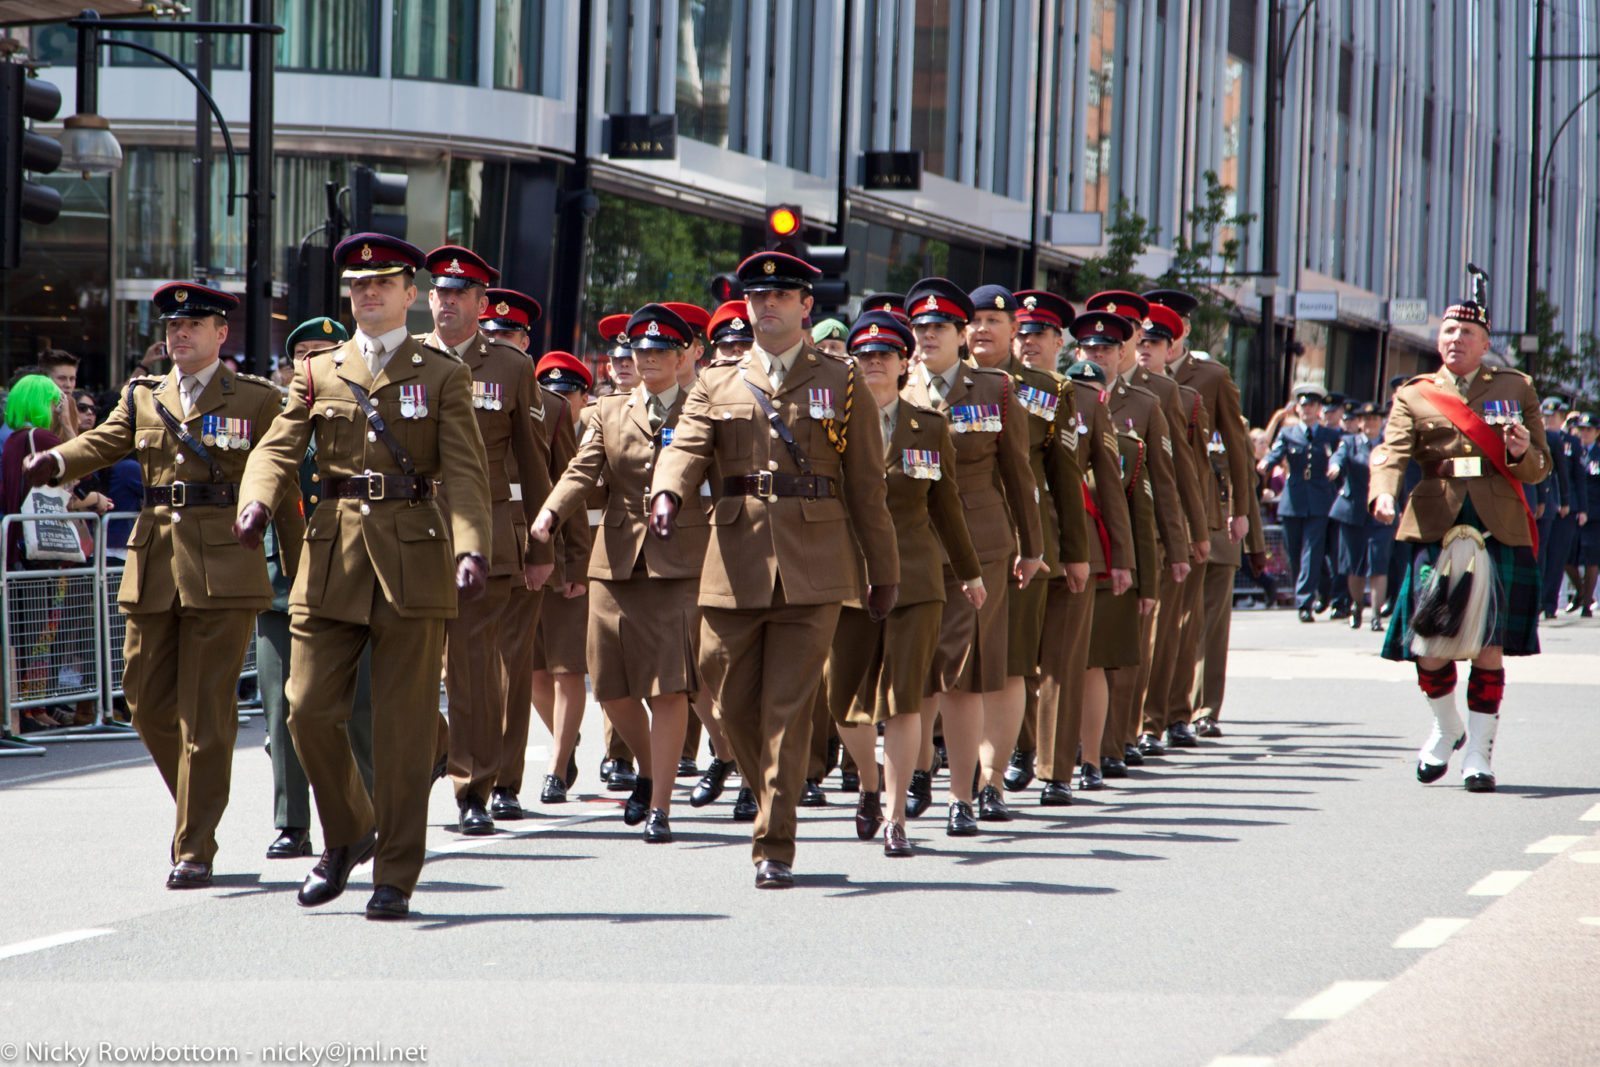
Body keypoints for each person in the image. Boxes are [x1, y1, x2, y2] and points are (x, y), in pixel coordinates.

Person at [233, 233, 493, 920]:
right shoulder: (320, 370)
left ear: (412, 293)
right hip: (332, 556)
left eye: (382, 283)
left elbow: (466, 471)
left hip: (414, 552)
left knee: (404, 729)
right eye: (357, 285)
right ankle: (350, 831)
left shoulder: (441, 374)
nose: (368, 294)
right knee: (307, 706)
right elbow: (278, 445)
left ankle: (395, 875)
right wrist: (256, 498)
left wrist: (472, 545)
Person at [20, 283, 285, 888]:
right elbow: (105, 441)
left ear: (222, 333)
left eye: (193, 325)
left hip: (223, 564)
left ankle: (194, 844)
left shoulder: (255, 398)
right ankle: (197, 799)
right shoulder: (144, 396)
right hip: (155, 562)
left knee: (206, 712)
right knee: (143, 698)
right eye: (172, 327)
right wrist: (57, 462)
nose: (180, 335)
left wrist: (277, 534)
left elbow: (284, 467)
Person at [648, 249, 899, 888]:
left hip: (815, 565)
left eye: (782, 296)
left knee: (787, 710)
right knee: (728, 698)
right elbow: (685, 448)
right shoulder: (717, 380)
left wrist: (883, 570)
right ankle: (770, 794)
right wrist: (667, 493)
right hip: (732, 561)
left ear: (806, 306)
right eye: (758, 297)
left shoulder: (840, 382)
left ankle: (774, 841)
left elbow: (867, 485)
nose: (767, 306)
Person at [534, 304, 712, 843]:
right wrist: (549, 513)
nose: (649, 359)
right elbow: (583, 469)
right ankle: (650, 767)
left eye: (661, 351)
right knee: (610, 688)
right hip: (614, 563)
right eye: (641, 351)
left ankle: (659, 806)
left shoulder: (702, 408)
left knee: (669, 687)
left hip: (678, 564)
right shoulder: (608, 413)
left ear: (682, 357)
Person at [1372, 293, 1551, 792]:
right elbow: (1391, 453)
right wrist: (1383, 495)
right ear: (1439, 340)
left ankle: (1478, 753)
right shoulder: (1415, 392)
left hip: (1498, 523)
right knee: (1429, 645)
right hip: (1436, 522)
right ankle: (1447, 725)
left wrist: (1520, 451)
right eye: (1449, 333)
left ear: (1486, 343)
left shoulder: (1516, 387)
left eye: (1467, 334)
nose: (1456, 340)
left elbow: (1540, 466)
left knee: (1488, 647)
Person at [819, 310, 982, 856]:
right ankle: (868, 781)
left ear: (902, 362)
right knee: (844, 701)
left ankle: (896, 818)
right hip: (847, 578)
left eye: (883, 356)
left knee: (903, 700)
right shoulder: (828, 425)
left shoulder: (928, 426)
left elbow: (947, 509)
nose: (872, 365)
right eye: (863, 357)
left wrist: (970, 572)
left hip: (915, 580)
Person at [415, 245, 554, 836]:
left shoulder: (510, 367)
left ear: (480, 303)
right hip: (413, 532)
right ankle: (436, 755)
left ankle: (473, 787)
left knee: (473, 669)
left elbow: (533, 457)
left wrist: (545, 546)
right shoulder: (406, 359)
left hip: (489, 532)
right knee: (420, 669)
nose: (447, 302)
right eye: (440, 293)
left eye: (459, 294)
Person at [899, 277, 1043, 835]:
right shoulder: (892, 386)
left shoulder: (996, 390)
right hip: (912, 546)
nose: (929, 336)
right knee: (919, 668)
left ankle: (968, 791)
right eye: (921, 327)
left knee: (961, 673)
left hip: (980, 549)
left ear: (962, 334)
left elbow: (1018, 475)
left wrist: (1031, 548)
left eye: (940, 327)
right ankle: (917, 768)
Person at [254, 316, 377, 861]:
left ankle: (366, 814)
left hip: (349, 577)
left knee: (360, 707)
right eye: (303, 353)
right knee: (285, 708)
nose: (313, 362)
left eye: (325, 351)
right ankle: (292, 821)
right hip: (284, 581)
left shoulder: (361, 414)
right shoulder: (273, 417)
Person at [963, 283, 1086, 819]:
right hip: (950, 546)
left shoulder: (1048, 392)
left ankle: (990, 779)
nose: (983, 329)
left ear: (1015, 331)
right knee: (955, 670)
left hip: (1020, 547)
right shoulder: (935, 383)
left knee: (1011, 666)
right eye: (974, 320)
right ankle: (953, 773)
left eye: (996, 320)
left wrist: (1075, 553)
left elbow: (1065, 477)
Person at [522, 349, 596, 804]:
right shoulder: (524, 417)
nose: (560, 399)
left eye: (568, 392)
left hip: (564, 560)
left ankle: (555, 765)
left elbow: (576, 505)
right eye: (552, 391)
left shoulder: (575, 426)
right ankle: (565, 744)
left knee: (568, 668)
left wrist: (577, 566)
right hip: (524, 556)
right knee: (533, 671)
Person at [1262, 388, 1341, 621]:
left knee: (1312, 550)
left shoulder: (1329, 435)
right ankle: (1324, 585)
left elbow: (1338, 456)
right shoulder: (1288, 433)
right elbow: (1276, 453)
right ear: (1297, 408)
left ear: (1318, 410)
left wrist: (1335, 467)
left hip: (1319, 499)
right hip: (1293, 500)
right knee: (1294, 552)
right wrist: (1267, 462)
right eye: (1303, 406)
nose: (1306, 410)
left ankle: (1304, 602)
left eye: (1311, 406)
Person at [1328, 403, 1393, 630]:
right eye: (1366, 420)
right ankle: (1356, 606)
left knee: (1378, 564)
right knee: (1354, 565)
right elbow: (1338, 457)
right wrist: (1335, 467)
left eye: (1375, 419)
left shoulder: (1388, 446)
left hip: (1380, 511)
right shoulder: (1350, 443)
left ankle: (1375, 615)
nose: (1370, 423)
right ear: (1360, 423)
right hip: (1353, 511)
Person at [1538, 396, 1587, 618]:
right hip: (1545, 503)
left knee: (1558, 557)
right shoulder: (1536, 437)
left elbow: (1576, 477)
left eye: (1553, 416)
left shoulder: (1572, 442)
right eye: (1545, 416)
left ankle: (1549, 604)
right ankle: (1537, 601)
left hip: (1566, 507)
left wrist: (1579, 507)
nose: (1549, 420)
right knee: (1540, 555)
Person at [1574, 413, 1600, 614]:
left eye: (1589, 430)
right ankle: (1582, 592)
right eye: (1582, 429)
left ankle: (1586, 605)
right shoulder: (1572, 450)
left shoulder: (1597, 455)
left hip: (1594, 513)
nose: (1585, 433)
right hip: (1573, 510)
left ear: (1597, 432)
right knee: (1566, 557)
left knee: (1592, 557)